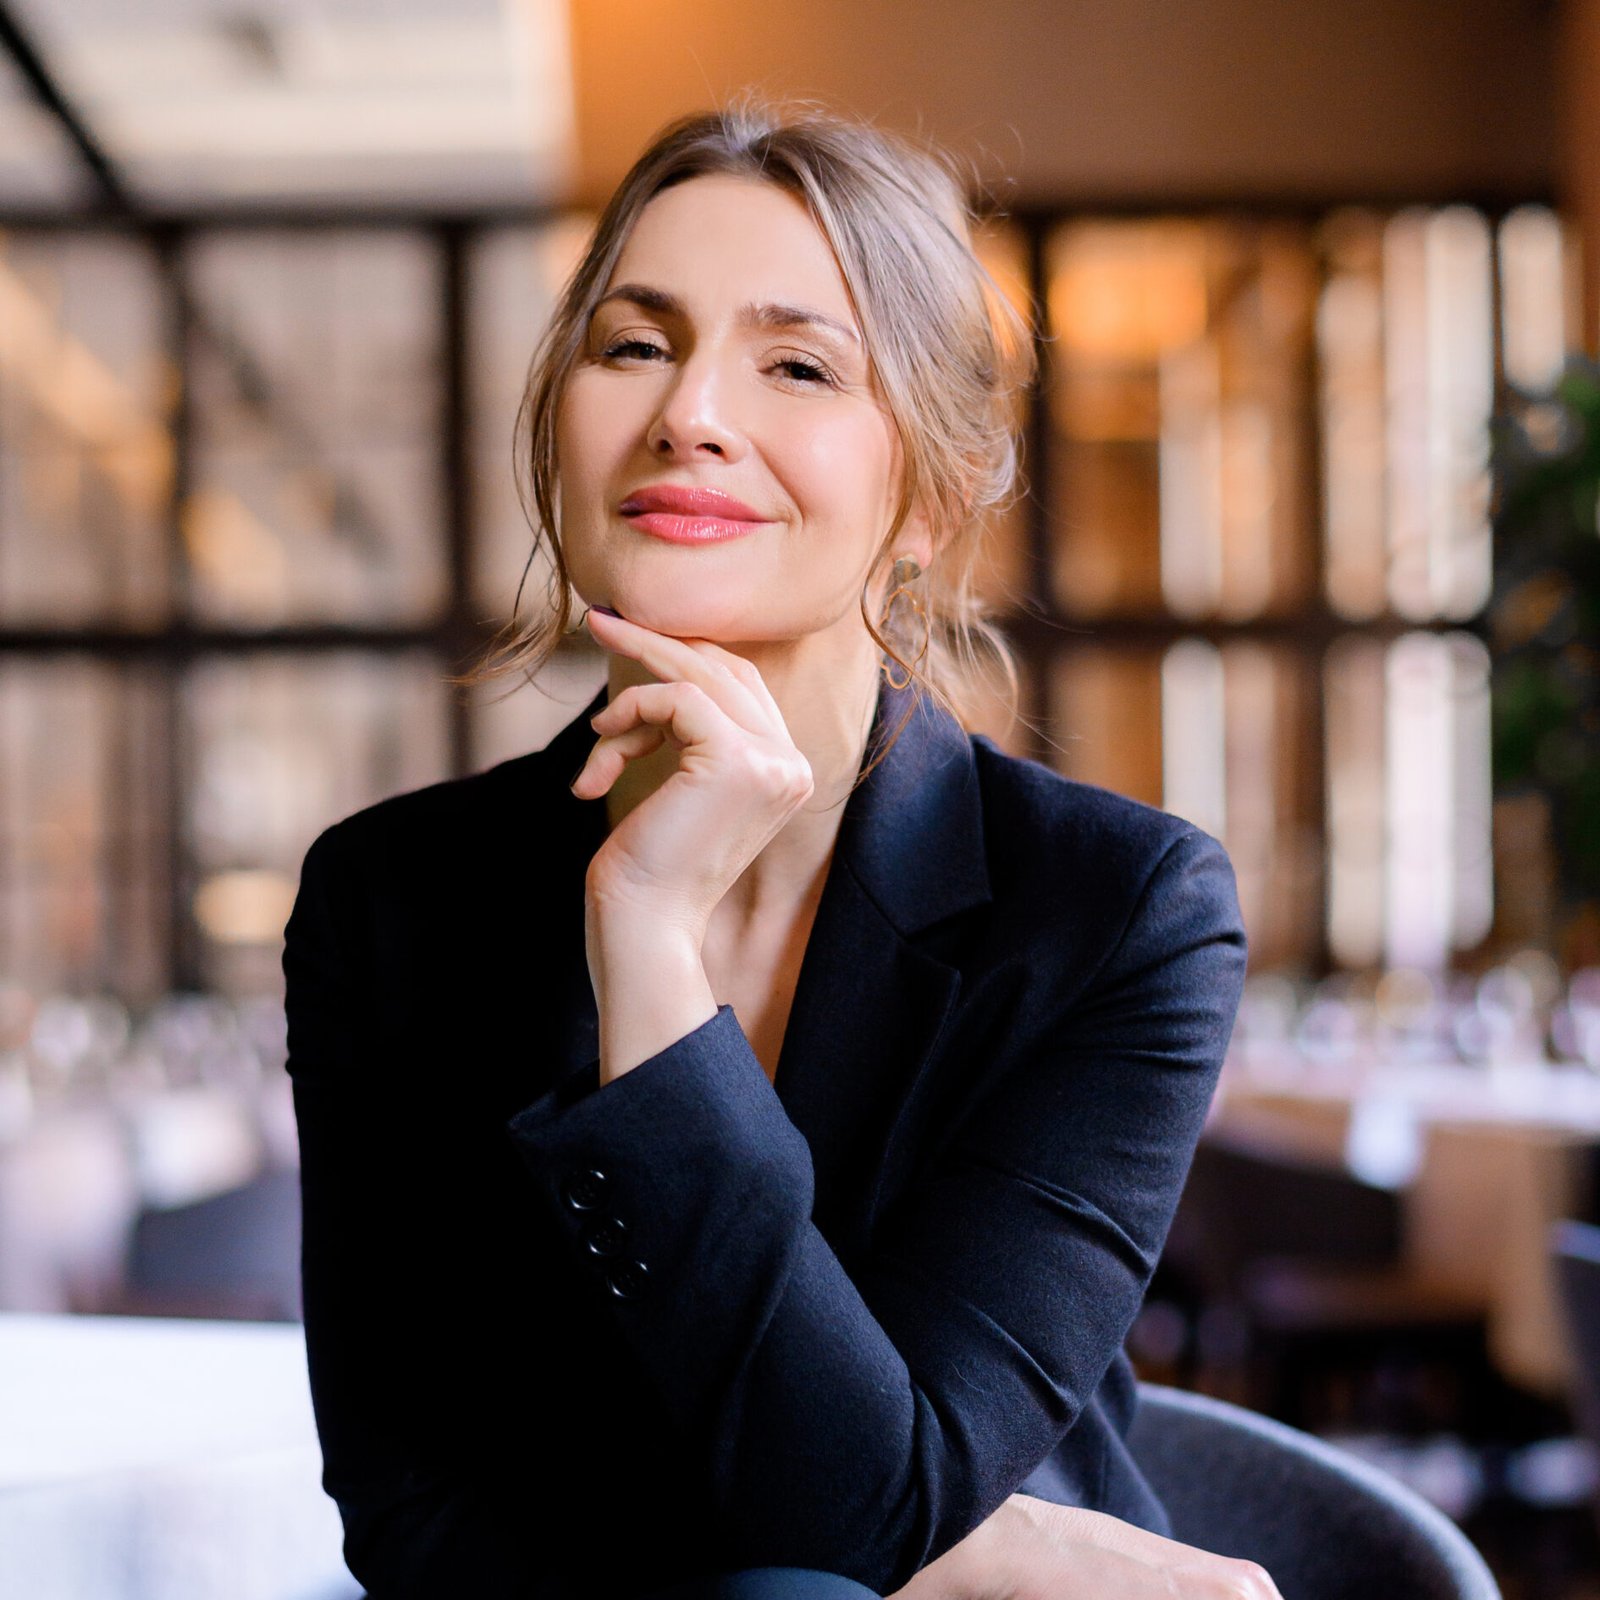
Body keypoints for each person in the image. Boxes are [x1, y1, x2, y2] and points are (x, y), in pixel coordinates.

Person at [283, 95, 1277, 1600]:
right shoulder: (389, 900)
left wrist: (651, 963)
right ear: (562, 423)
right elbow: (410, 1513)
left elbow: (865, 1513)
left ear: (930, 497)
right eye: (635, 344)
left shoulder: (1121, 911)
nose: (690, 410)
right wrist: (989, 1550)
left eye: (798, 365)